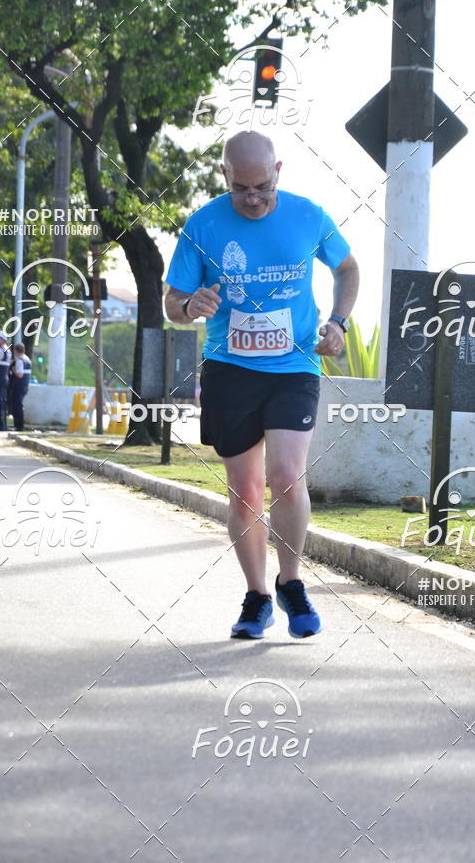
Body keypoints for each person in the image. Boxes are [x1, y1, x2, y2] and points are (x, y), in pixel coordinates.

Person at [164, 131, 359, 640]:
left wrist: (338, 322)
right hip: (230, 369)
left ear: (279, 169)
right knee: (245, 491)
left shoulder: (308, 215)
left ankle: (292, 582)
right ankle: (257, 597)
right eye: (241, 188)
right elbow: (173, 301)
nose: (253, 198)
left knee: (287, 476)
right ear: (224, 176)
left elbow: (348, 268)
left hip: (294, 366)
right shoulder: (202, 224)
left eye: (262, 186)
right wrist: (190, 308)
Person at [8, 342, 32, 431]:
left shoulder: (19, 361)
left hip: (19, 385)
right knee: (19, 405)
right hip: (25, 385)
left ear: (15, 351)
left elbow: (19, 374)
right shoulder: (27, 359)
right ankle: (18, 426)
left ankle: (18, 426)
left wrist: (12, 369)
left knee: (17, 405)